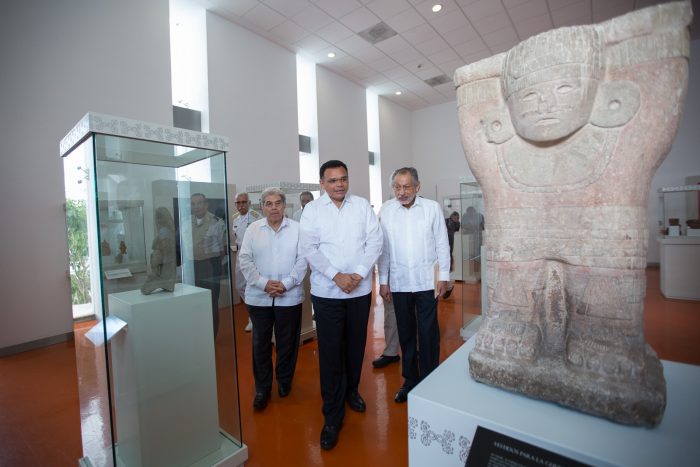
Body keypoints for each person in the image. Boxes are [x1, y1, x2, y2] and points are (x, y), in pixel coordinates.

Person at [298, 160, 383, 450]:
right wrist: (337, 276)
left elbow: (375, 242)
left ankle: (352, 391)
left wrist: (358, 274)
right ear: (322, 183)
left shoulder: (361, 206)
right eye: (332, 180)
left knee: (356, 346)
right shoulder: (312, 210)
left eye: (343, 179)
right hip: (327, 293)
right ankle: (332, 415)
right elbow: (309, 249)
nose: (339, 184)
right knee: (331, 353)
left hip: (358, 293)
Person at [377, 167, 450, 403]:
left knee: (428, 331)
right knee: (406, 333)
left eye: (406, 186)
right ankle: (410, 380)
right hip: (399, 283)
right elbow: (384, 249)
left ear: (418, 187)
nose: (401, 192)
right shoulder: (386, 211)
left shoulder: (431, 209)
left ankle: (430, 378)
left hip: (426, 281)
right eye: (397, 187)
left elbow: (441, 243)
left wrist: (444, 276)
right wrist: (383, 280)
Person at [238, 187, 308, 410]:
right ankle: (263, 388)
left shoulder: (298, 229)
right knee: (260, 344)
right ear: (262, 207)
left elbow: (303, 260)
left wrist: (286, 284)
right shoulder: (252, 229)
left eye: (278, 203)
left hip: (289, 296)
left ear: (284, 205)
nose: (274, 207)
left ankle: (284, 381)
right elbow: (245, 260)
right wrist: (264, 283)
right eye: (269, 203)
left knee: (287, 343)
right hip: (259, 297)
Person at [189, 193, 227, 336]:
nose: (196, 206)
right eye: (193, 204)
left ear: (206, 205)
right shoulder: (186, 221)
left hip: (210, 266)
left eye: (199, 203)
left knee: (211, 303)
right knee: (194, 302)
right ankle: (198, 334)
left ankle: (211, 336)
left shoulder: (216, 222)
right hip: (192, 266)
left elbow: (222, 249)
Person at [231, 192, 262, 331]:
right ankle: (253, 315)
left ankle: (254, 319)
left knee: (253, 285)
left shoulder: (256, 217)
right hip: (240, 255)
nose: (241, 205)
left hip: (254, 256)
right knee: (239, 286)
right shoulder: (235, 219)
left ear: (249, 203)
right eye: (238, 203)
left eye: (243, 202)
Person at [443, 211, 461, 299]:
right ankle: (448, 287)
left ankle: (448, 287)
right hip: (447, 248)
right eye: (456, 217)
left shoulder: (453, 223)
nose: (457, 219)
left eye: (457, 218)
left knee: (445, 269)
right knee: (445, 269)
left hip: (446, 248)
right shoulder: (451, 222)